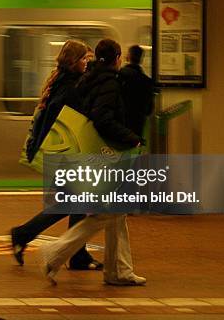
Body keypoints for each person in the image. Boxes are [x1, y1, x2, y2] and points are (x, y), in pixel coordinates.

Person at [38, 38, 146, 286]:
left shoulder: (89, 78)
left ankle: (118, 271)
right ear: (118, 58)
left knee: (115, 214)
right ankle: (54, 254)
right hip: (106, 157)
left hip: (90, 156)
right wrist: (132, 139)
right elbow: (102, 119)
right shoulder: (109, 82)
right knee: (104, 215)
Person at [11, 40, 103, 271]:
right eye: (83, 59)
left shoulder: (59, 81)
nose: (86, 63)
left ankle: (77, 254)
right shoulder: (71, 87)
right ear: (73, 61)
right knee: (69, 204)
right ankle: (22, 234)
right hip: (69, 153)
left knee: (74, 203)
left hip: (63, 152)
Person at [119, 45, 154, 137]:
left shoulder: (118, 76)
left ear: (128, 57)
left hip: (120, 124)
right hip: (137, 125)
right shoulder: (147, 81)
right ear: (141, 59)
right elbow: (149, 109)